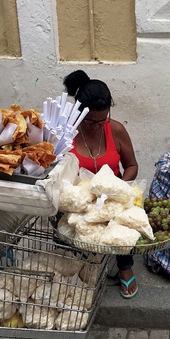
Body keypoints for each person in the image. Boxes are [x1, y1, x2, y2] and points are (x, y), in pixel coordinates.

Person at [63, 70, 139, 298]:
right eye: (90, 121)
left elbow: (132, 165)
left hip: (112, 197)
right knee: (72, 220)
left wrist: (119, 189)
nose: (96, 125)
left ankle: (125, 267)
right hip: (79, 198)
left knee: (122, 216)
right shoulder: (66, 131)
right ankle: (80, 266)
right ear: (79, 111)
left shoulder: (115, 130)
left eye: (101, 120)